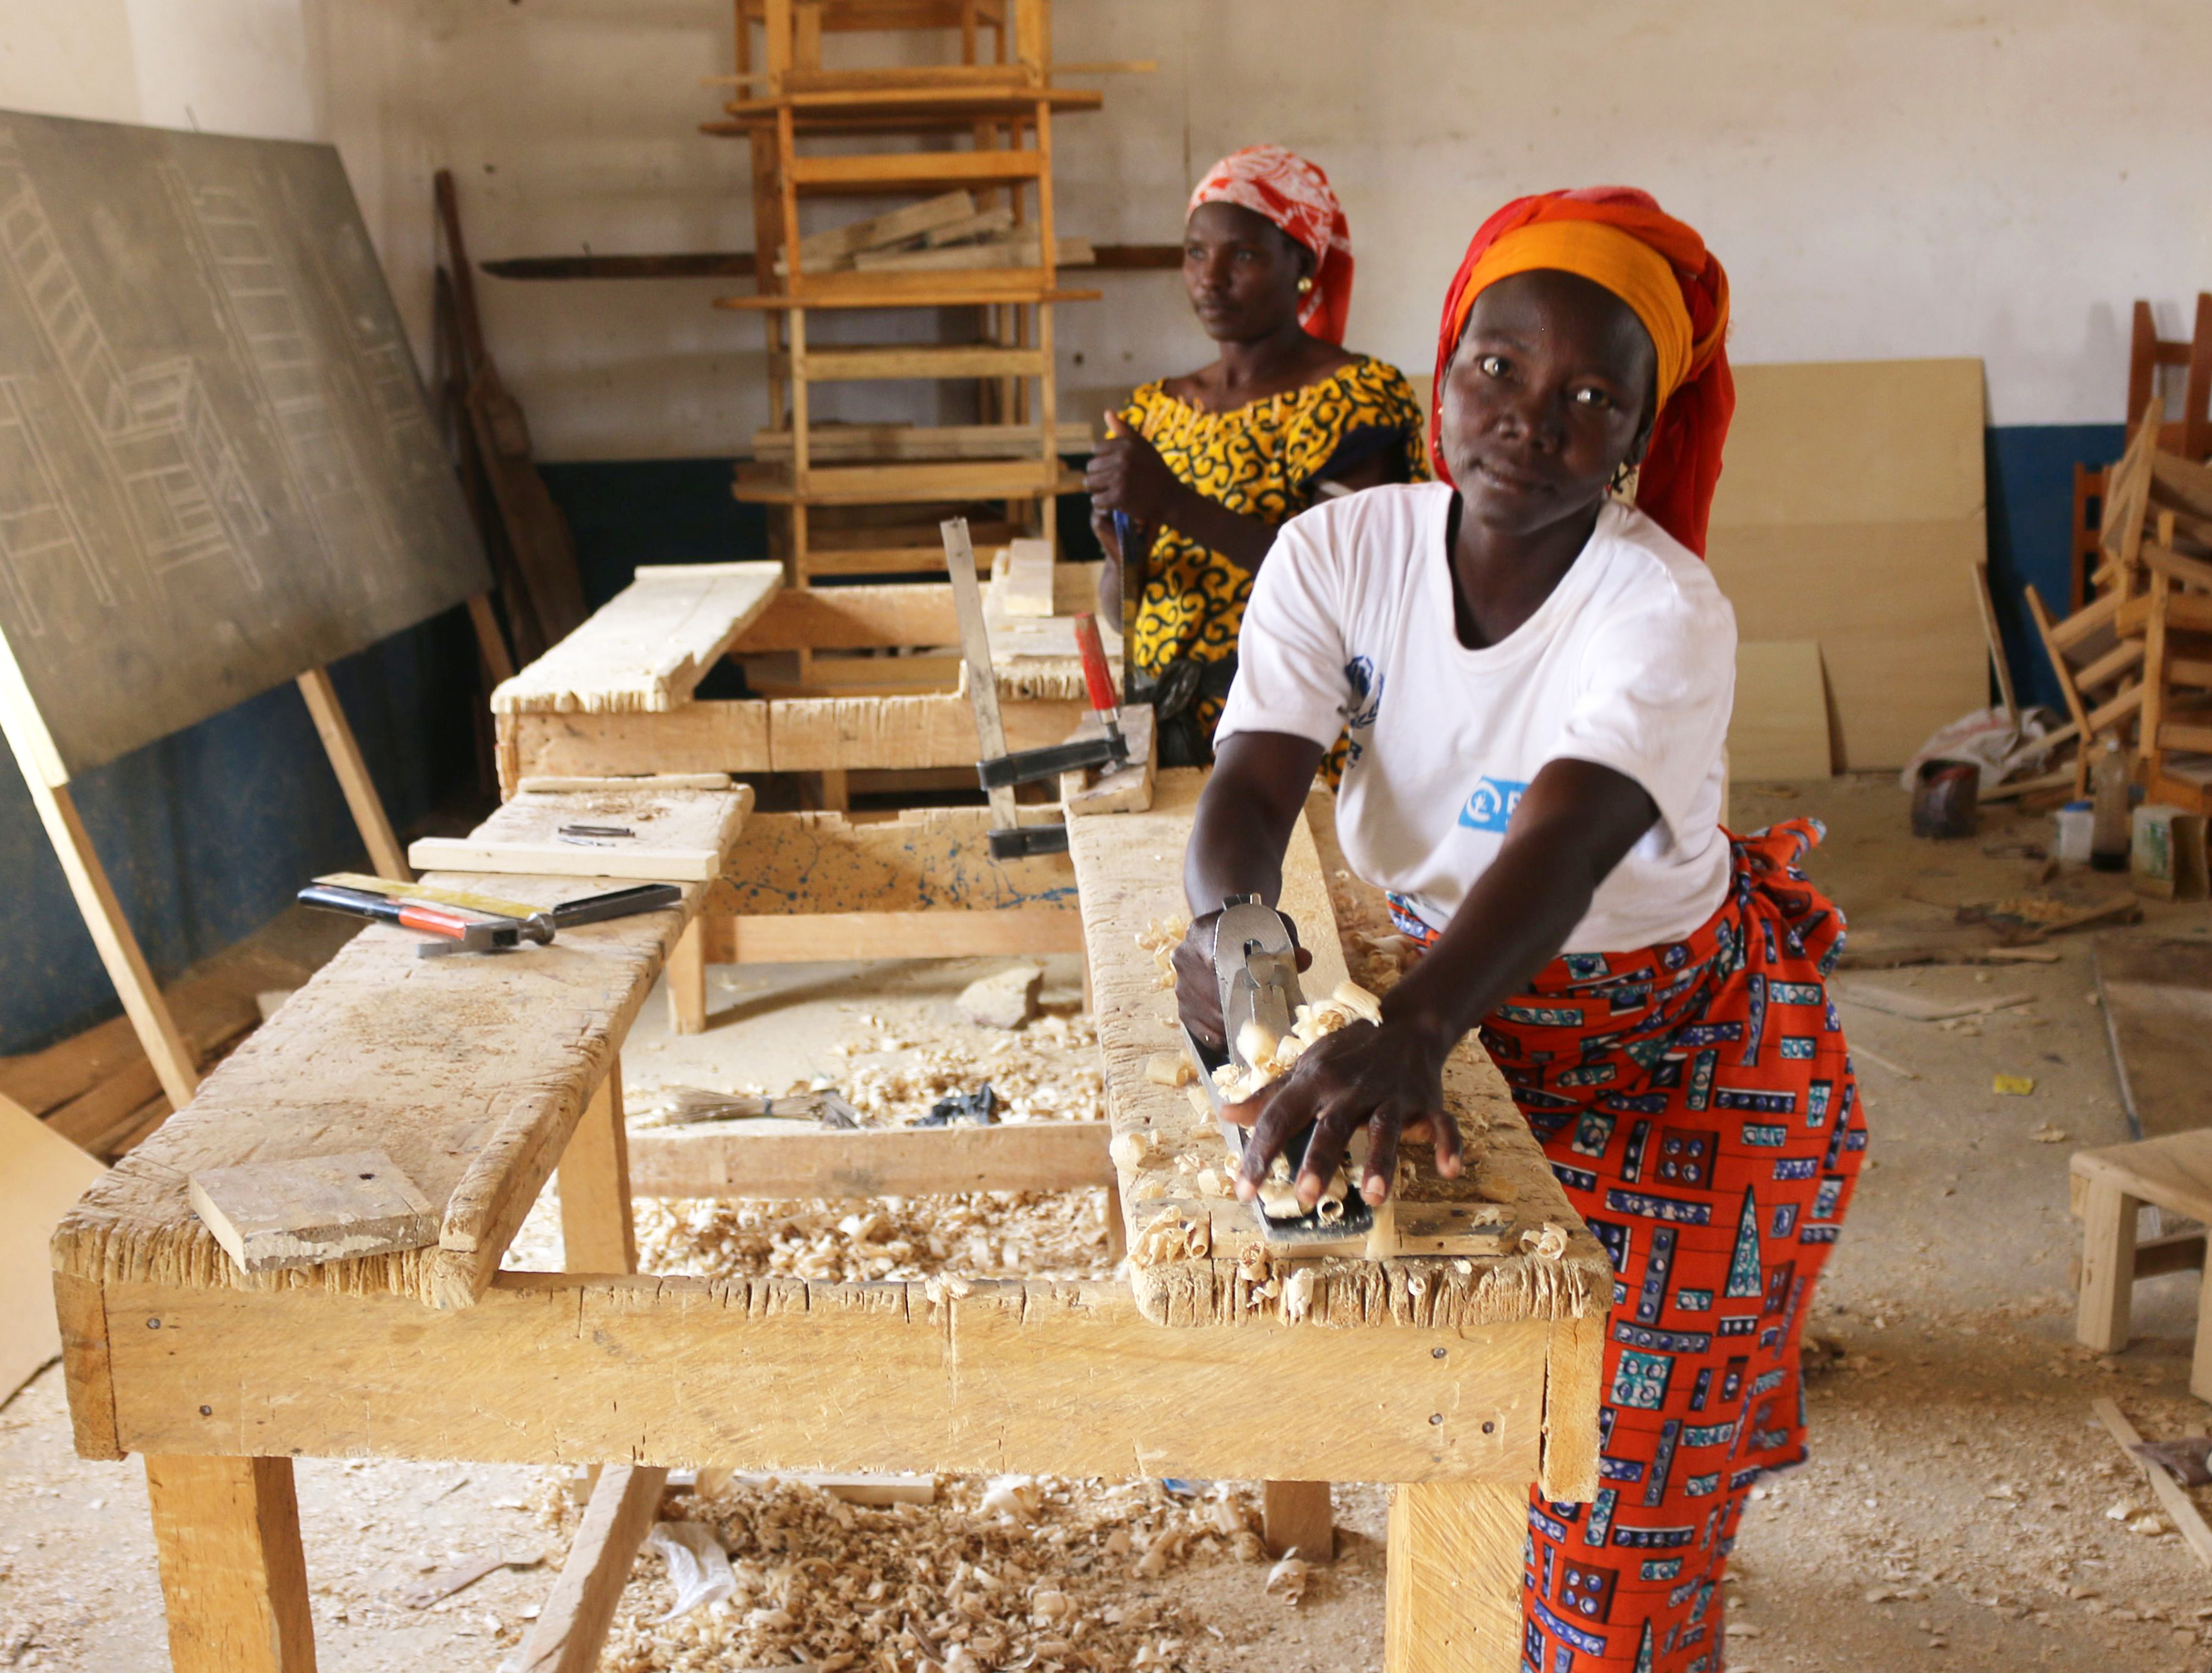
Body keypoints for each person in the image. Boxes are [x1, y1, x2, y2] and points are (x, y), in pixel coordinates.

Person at [1172, 187, 1865, 1672]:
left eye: (1586, 397)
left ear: (1634, 437)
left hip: (1674, 1060)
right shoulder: (1337, 551)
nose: (1524, 419)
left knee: (1621, 1515)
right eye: (1496, 366)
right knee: (1474, 1430)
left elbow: (1568, 829)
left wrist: (1411, 1026)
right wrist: (1241, 943)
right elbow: (1250, 774)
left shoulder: (1655, 607)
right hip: (1463, 1038)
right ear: (1439, 365)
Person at [1086, 144, 1429, 767]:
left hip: (1295, 751)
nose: (1209, 278)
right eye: (1195, 253)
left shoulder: (1356, 400)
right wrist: (1120, 553)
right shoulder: (1152, 412)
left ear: (1299, 262)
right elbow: (1125, 615)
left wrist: (1173, 504)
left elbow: (1353, 589)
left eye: (1241, 254)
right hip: (1164, 744)